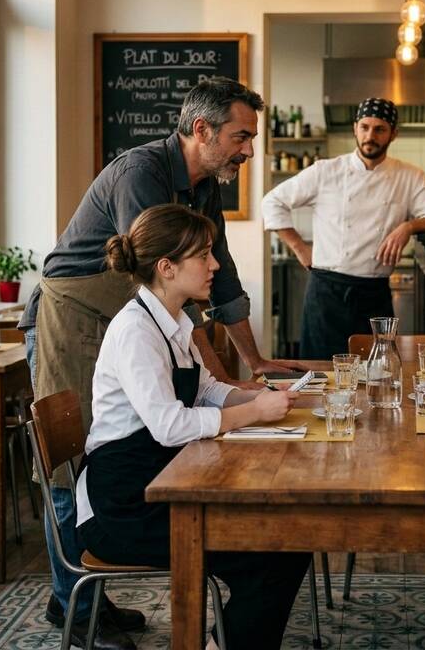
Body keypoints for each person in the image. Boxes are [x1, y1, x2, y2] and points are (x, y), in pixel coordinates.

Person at [20, 79, 299, 648]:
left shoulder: (205, 187)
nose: (249, 150)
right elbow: (163, 277)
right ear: (202, 130)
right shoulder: (140, 175)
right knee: (71, 468)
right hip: (75, 314)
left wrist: (253, 366)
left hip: (132, 313)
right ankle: (77, 604)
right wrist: (233, 394)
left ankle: (85, 596)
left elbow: (220, 275)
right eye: (241, 136)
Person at [76, 203, 309, 650]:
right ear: (167, 267)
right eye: (203, 255)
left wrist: (261, 396)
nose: (215, 264)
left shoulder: (175, 321)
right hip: (122, 505)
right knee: (276, 552)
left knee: (286, 539)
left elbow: (206, 390)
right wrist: (254, 413)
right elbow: (168, 426)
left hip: (164, 482)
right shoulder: (135, 331)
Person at [261, 97, 425, 359]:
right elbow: (272, 202)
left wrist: (408, 227)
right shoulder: (326, 171)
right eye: (365, 127)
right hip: (326, 293)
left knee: (378, 372)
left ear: (393, 134)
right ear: (355, 128)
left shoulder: (408, 176)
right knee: (322, 373)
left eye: (380, 129)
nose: (370, 136)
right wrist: (299, 247)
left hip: (374, 295)